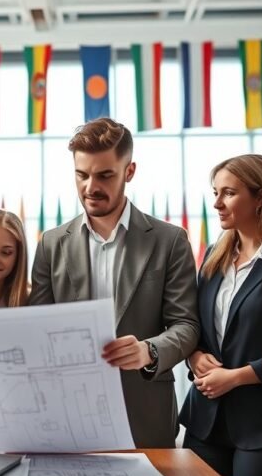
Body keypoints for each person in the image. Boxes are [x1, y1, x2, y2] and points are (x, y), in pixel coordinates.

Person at [30, 117, 199, 448]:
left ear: (129, 172)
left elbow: (186, 326)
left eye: (105, 175)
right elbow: (38, 326)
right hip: (68, 416)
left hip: (145, 416)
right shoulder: (51, 244)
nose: (90, 186)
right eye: (82, 175)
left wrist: (148, 351)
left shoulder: (169, 241)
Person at [178, 154, 262, 476]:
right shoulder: (215, 256)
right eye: (215, 192)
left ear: (260, 197)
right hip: (206, 420)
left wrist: (235, 378)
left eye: (228, 193)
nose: (216, 203)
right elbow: (196, 325)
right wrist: (195, 355)